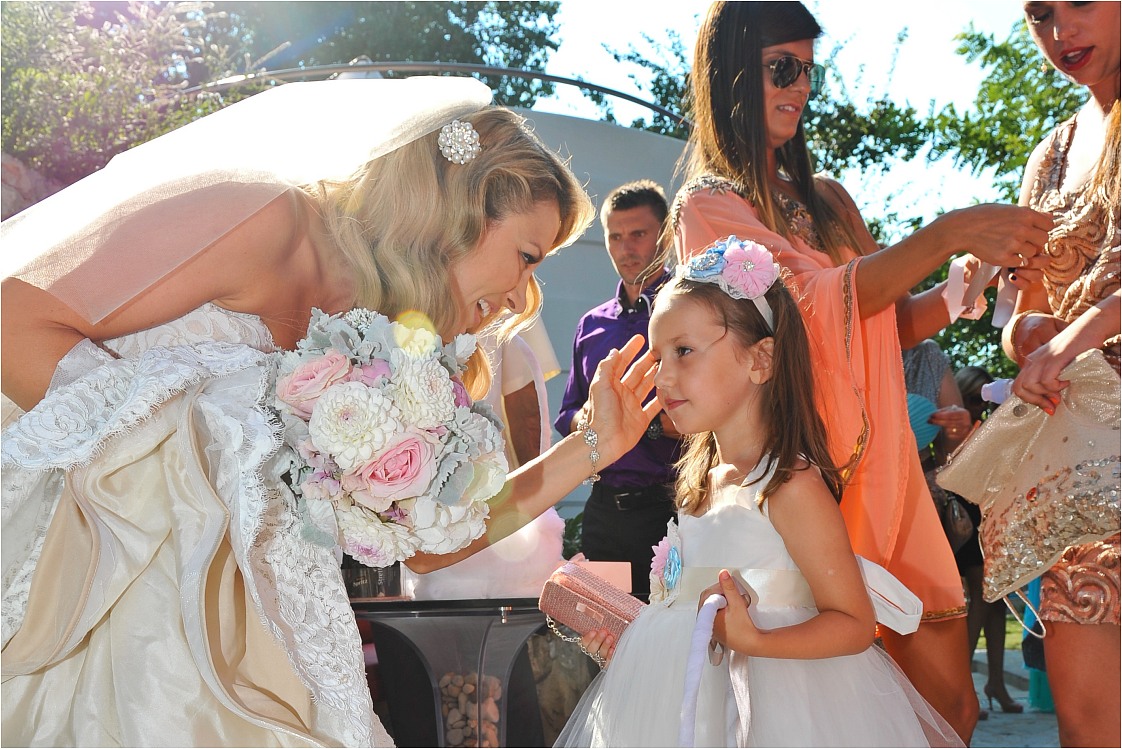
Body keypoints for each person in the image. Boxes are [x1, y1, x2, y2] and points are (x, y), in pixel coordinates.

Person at [0, 77, 662, 747]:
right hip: (100, 589)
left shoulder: (387, 347)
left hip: (260, 638)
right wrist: (187, 451)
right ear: (462, 205)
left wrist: (592, 446)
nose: (522, 295)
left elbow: (432, 543)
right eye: (525, 256)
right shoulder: (268, 219)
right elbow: (13, 320)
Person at [669, 2, 1054, 739]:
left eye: (808, 71)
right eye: (782, 67)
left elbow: (887, 318)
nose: (800, 87)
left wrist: (963, 284)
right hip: (804, 477)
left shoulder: (829, 199)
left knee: (951, 706)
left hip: (884, 469)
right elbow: (802, 306)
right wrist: (947, 231)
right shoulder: (709, 206)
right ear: (731, 74)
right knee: (845, 714)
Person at [558, 237, 961, 747]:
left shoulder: (787, 484)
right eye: (658, 357)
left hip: (780, 714)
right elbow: (686, 614)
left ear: (760, 360)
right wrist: (637, 643)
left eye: (683, 351)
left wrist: (756, 640)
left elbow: (854, 623)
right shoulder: (701, 483)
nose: (663, 376)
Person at [1000, 2, 1120, 744]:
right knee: (1085, 721)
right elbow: (1025, 313)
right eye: (1040, 13)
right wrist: (1031, 337)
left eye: (1080, 2)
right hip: (1080, 462)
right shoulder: (1048, 155)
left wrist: (1071, 339)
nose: (1060, 31)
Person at [556, 179, 683, 600]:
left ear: (666, 235)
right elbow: (569, 413)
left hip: (672, 510)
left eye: (638, 234)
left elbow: (714, 415)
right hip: (604, 512)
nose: (625, 248)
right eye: (615, 236)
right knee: (606, 628)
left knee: (672, 627)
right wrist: (592, 418)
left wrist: (640, 423)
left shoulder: (691, 313)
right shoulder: (591, 325)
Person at [953, 364, 1023, 716]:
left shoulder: (991, 421)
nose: (978, 408)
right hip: (963, 513)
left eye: (983, 401)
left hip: (991, 509)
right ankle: (962, 685)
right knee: (982, 592)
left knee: (998, 601)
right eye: (973, 399)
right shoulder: (953, 422)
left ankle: (996, 682)